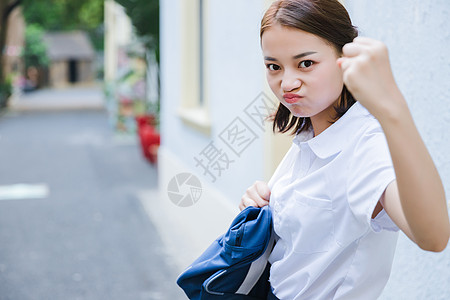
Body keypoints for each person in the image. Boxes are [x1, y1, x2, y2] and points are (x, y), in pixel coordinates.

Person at [238, 0, 450, 299]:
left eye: (306, 63)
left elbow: (433, 236)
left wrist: (393, 109)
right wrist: (263, 203)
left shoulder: (365, 144)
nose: (287, 82)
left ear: (344, 56)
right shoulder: (309, 132)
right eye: (274, 66)